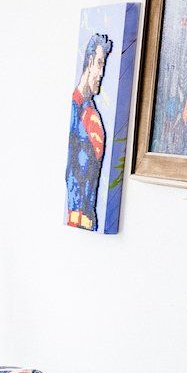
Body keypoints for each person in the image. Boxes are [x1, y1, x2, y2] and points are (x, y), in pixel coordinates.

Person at [64, 32, 113, 231]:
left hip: (87, 224)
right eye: (100, 64)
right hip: (74, 221)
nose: (101, 73)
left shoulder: (92, 116)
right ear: (90, 61)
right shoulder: (74, 109)